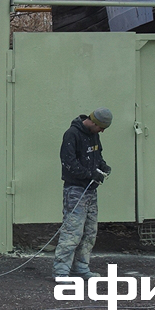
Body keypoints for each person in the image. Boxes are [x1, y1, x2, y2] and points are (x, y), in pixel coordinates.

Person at [53, 107, 112, 279]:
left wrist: (102, 166)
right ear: (93, 122)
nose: (101, 131)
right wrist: (88, 174)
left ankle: (81, 267)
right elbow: (68, 162)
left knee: (89, 232)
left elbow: (97, 156)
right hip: (75, 190)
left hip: (90, 190)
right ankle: (61, 270)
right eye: (101, 127)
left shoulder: (94, 135)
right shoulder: (72, 134)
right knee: (72, 231)